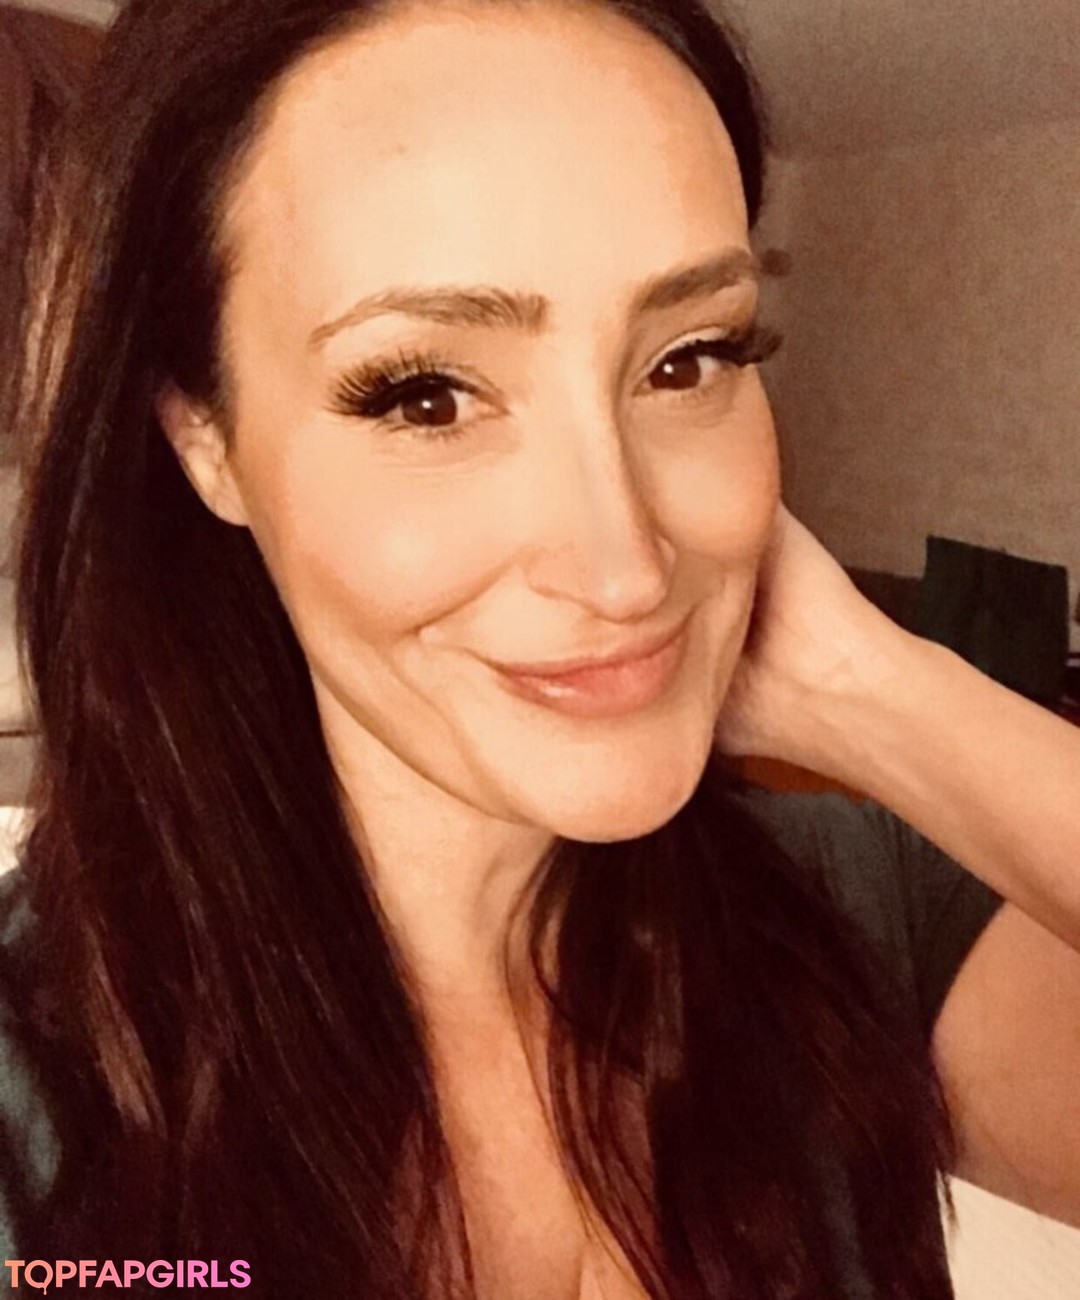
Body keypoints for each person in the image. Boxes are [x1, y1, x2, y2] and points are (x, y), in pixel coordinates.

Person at [1, 0, 1078, 1295]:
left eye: (688, 359)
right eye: (425, 395)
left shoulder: (846, 910)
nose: (625, 566)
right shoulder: (34, 1104)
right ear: (205, 440)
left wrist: (874, 692)